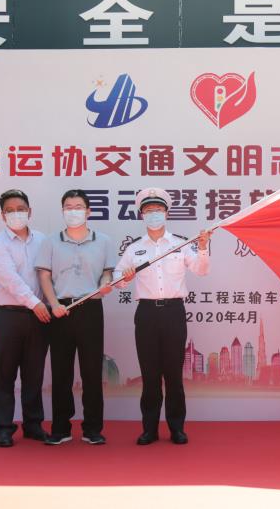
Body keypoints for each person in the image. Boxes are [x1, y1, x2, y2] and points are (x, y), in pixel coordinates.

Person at [109, 188, 211, 445]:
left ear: (166, 213)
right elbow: (116, 280)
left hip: (174, 312)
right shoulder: (134, 248)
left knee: (174, 375)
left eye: (158, 210)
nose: (153, 214)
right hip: (146, 314)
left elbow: (201, 270)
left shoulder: (180, 244)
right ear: (141, 215)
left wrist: (202, 248)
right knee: (150, 374)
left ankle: (177, 428)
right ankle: (149, 429)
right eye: (148, 211)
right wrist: (125, 277)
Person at [35, 189, 117, 445]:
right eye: (68, 207)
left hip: (91, 308)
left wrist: (105, 284)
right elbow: (44, 276)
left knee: (92, 371)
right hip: (61, 310)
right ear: (63, 211)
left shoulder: (103, 241)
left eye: (78, 207)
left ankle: (93, 429)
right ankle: (61, 428)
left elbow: (107, 273)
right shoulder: (50, 241)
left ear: (88, 211)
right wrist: (53, 304)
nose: (73, 212)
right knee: (61, 372)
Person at [0, 189, 50, 447]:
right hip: (7, 316)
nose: (16, 214)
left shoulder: (43, 240)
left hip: (38, 317)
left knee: (34, 374)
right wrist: (36, 303)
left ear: (29, 211)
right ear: (2, 215)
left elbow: (49, 275)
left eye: (21, 209)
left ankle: (33, 425)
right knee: (4, 374)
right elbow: (10, 280)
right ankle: (4, 428)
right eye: (10, 211)